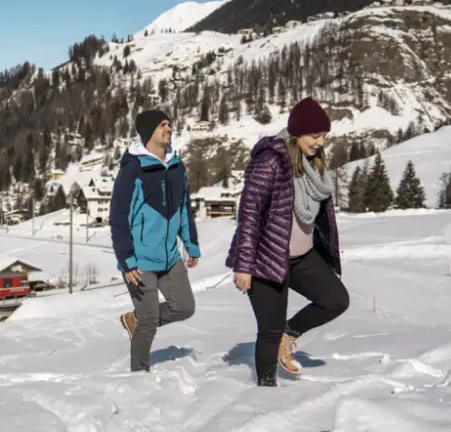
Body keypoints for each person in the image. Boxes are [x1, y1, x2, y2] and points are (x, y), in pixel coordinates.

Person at [225, 97, 349, 387]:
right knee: (268, 330)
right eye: (315, 135)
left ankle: (289, 335)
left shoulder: (313, 165)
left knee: (336, 300)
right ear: (297, 133)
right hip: (265, 258)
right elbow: (250, 213)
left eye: (324, 136)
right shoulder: (270, 160)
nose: (320, 142)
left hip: (303, 257)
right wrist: (244, 266)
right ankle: (265, 389)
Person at [110, 109, 201, 372]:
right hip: (140, 260)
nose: (169, 128)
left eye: (169, 124)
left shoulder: (176, 165)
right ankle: (139, 374)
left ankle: (134, 319)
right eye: (162, 125)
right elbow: (119, 217)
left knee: (184, 308)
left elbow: (184, 207)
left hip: (170, 256)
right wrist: (127, 261)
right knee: (149, 321)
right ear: (149, 131)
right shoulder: (134, 169)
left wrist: (190, 244)